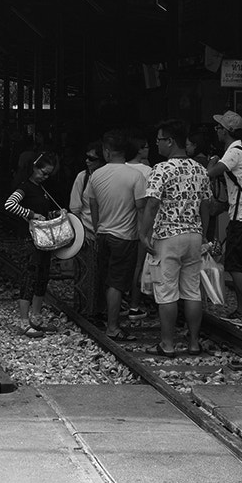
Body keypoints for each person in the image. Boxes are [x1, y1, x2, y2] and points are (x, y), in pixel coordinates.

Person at [138, 120, 213, 357]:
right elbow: (206, 207)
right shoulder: (200, 169)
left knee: (167, 292)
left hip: (168, 236)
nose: (156, 144)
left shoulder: (160, 169)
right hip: (193, 236)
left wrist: (143, 233)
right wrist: (202, 235)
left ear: (170, 141)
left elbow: (152, 204)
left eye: (159, 139)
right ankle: (193, 343)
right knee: (192, 291)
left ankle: (168, 344)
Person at [83, 130, 148, 341]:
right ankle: (112, 327)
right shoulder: (136, 176)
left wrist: (96, 227)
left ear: (107, 151)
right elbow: (140, 208)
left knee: (106, 278)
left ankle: (104, 317)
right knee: (117, 283)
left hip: (102, 233)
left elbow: (92, 204)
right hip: (125, 236)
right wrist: (143, 234)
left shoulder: (96, 175)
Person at [206, 111, 242, 329]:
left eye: (219, 127)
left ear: (227, 131)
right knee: (235, 264)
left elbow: (210, 173)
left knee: (235, 266)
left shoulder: (233, 154)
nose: (217, 131)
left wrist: (212, 160)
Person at [4, 151, 63, 338]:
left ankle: (36, 318)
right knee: (29, 277)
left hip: (42, 240)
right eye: (43, 172)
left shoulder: (40, 188)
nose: (45, 177)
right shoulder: (25, 187)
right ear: (34, 168)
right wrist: (31, 214)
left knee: (42, 277)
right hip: (30, 239)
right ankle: (23, 321)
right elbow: (9, 204)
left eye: (48, 174)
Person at [68, 142, 105, 317]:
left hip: (103, 233)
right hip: (87, 234)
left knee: (100, 275)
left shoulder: (102, 178)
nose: (87, 161)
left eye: (92, 158)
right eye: (87, 157)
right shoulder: (82, 178)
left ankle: (96, 310)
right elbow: (74, 208)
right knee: (86, 274)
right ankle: (85, 310)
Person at [125, 131, 155, 319]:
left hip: (121, 224)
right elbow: (149, 203)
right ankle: (135, 305)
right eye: (145, 146)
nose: (149, 149)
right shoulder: (148, 171)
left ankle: (122, 301)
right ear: (139, 150)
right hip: (140, 224)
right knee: (139, 265)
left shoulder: (121, 168)